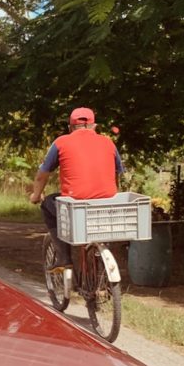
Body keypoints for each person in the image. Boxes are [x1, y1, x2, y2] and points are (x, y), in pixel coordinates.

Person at [29, 107, 124, 266]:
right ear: (94, 126)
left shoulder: (61, 142)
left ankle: (64, 259)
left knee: (47, 204)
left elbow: (42, 176)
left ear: (70, 128)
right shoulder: (109, 143)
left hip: (75, 203)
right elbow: (116, 175)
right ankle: (101, 268)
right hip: (105, 204)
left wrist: (36, 196)